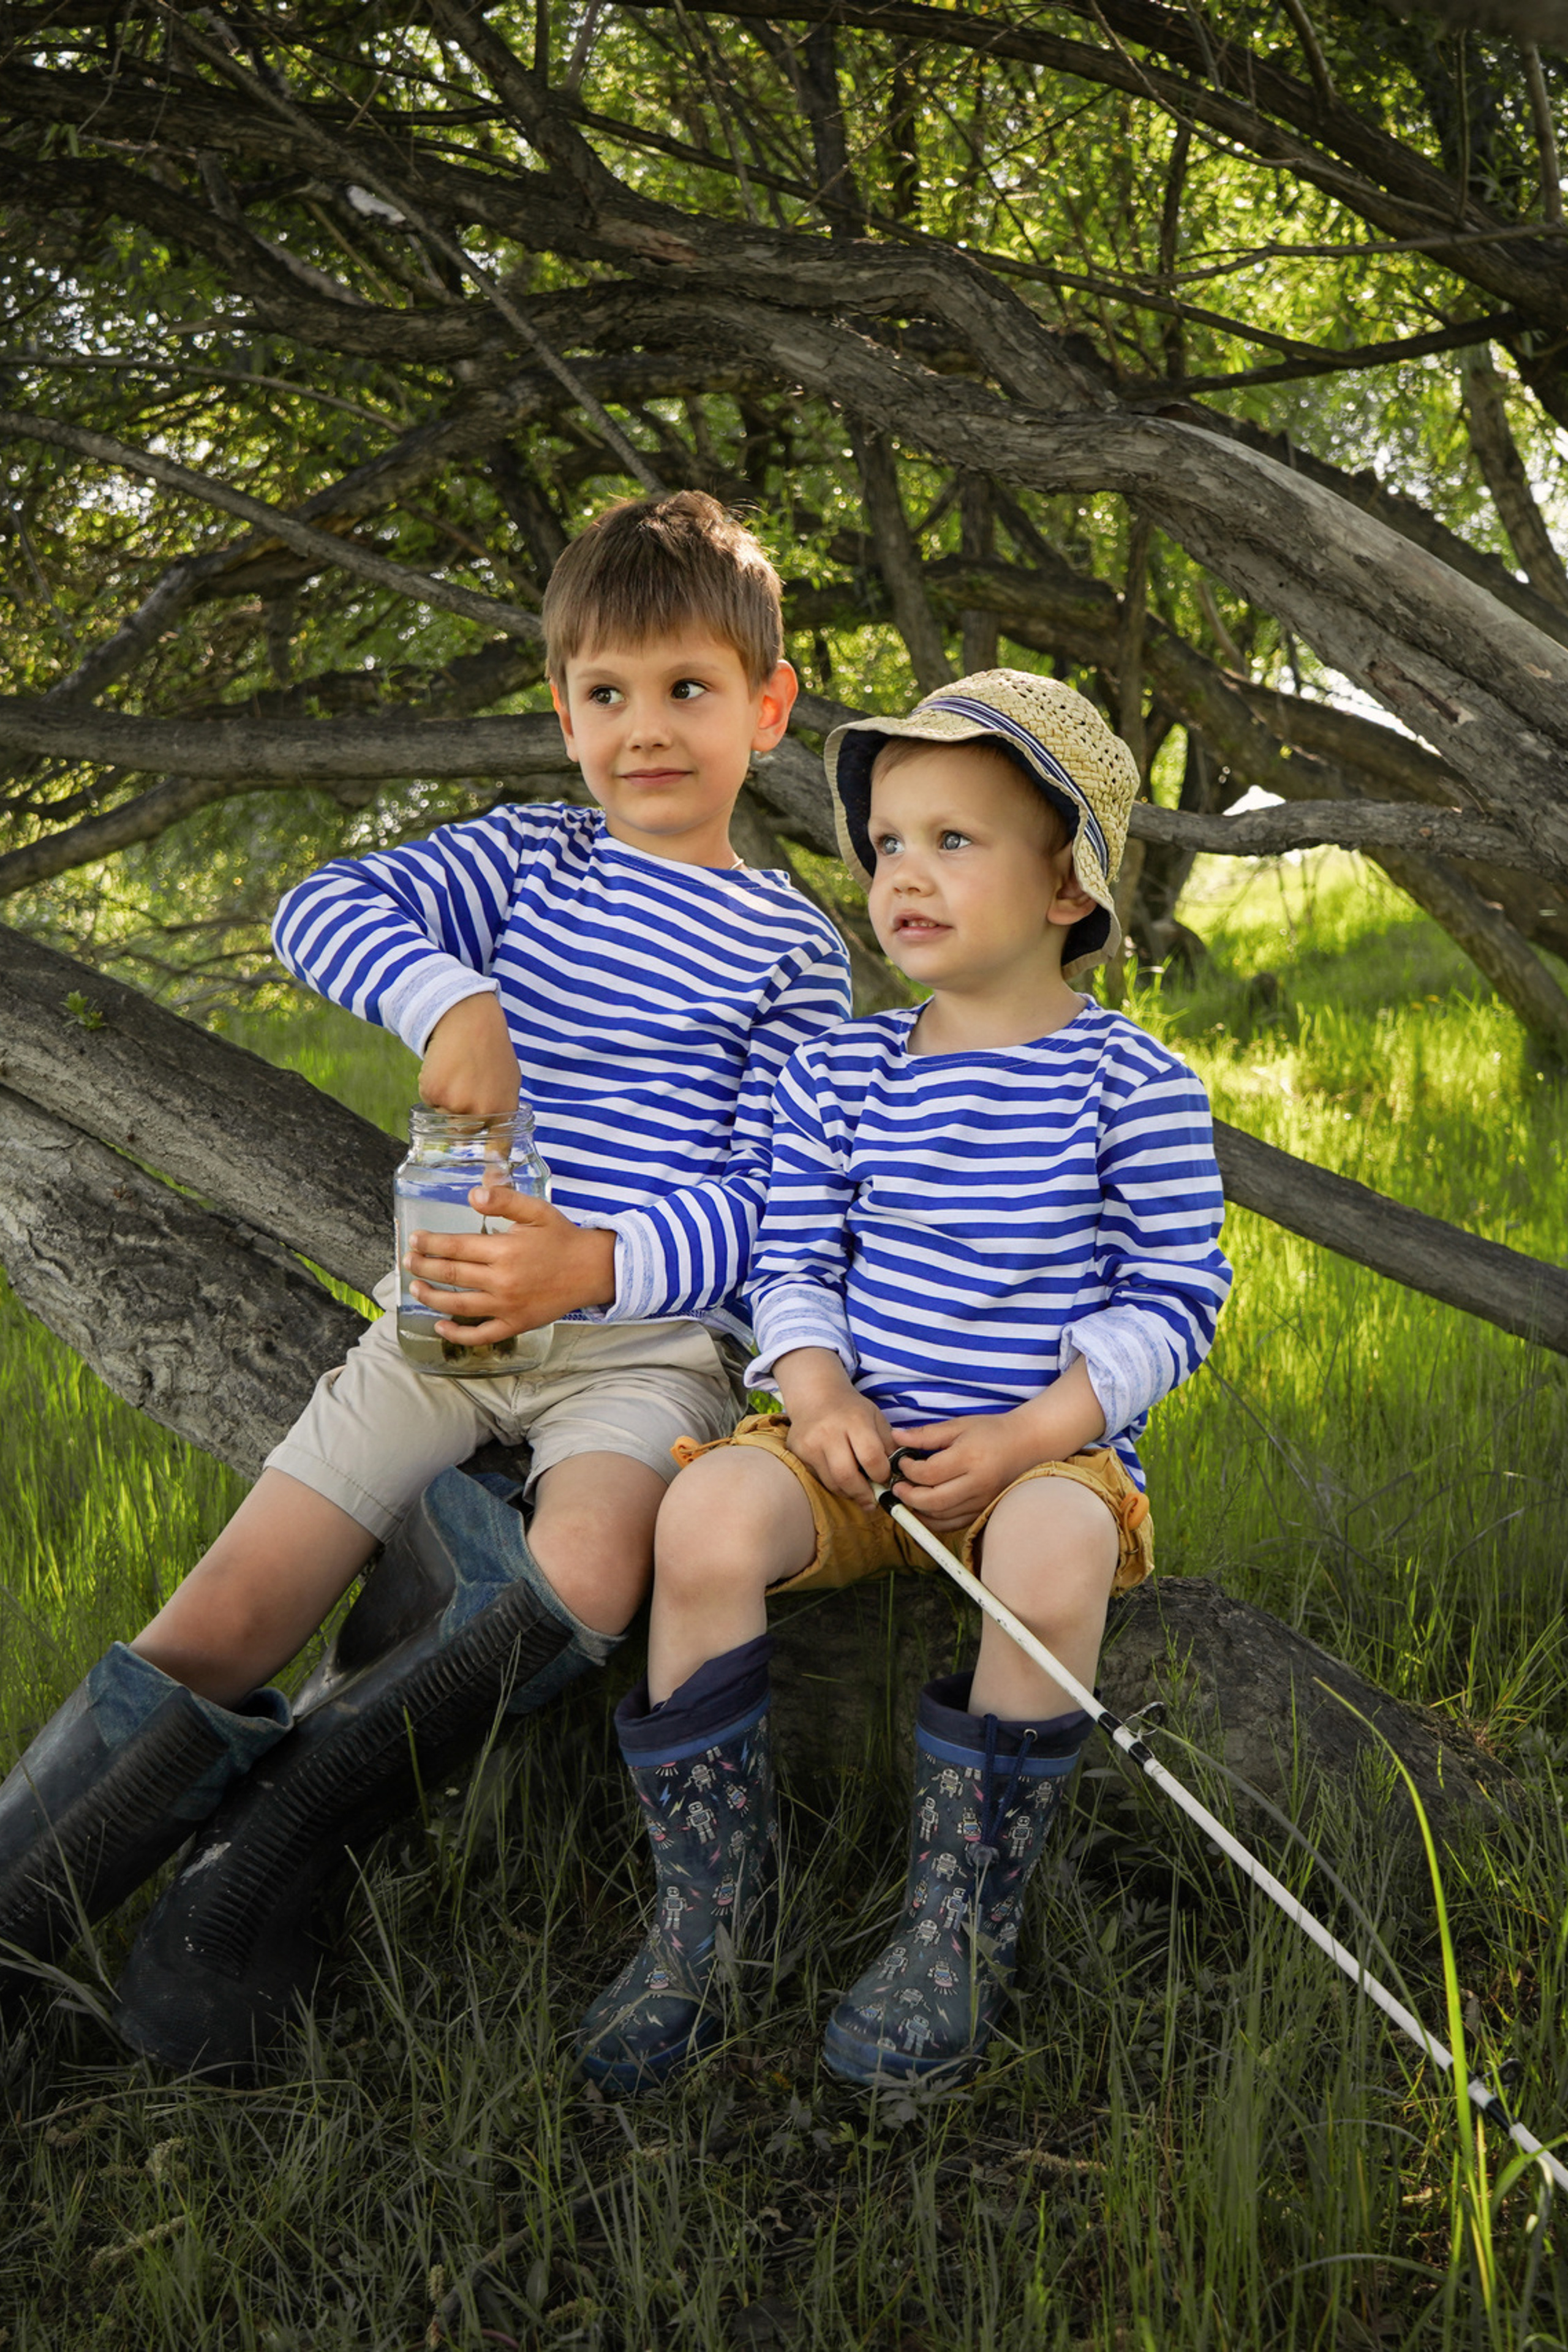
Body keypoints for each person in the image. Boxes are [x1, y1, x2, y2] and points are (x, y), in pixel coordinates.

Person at [0, 492, 851, 2071]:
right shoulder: (522, 863)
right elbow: (319, 901)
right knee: (225, 1613)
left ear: (769, 707)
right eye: (605, 694)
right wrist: (447, 995)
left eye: (688, 690)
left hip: (634, 1350)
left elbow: (784, 1203)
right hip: (434, 1328)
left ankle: (259, 1876)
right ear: (561, 709)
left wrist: (597, 1261)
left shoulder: (791, 954)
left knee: (591, 1570)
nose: (644, 729)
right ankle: (14, 1919)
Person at [575, 668, 1232, 2091]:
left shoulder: (1132, 1083)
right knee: (698, 1524)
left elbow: (1174, 1299)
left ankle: (956, 1928)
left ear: (1068, 886)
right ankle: (705, 1919)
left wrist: (1034, 1434)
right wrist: (814, 1399)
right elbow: (793, 1268)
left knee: (1056, 1544)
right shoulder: (838, 1073)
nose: (902, 874)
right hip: (854, 1440)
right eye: (885, 843)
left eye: (953, 841)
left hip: (1041, 1447)